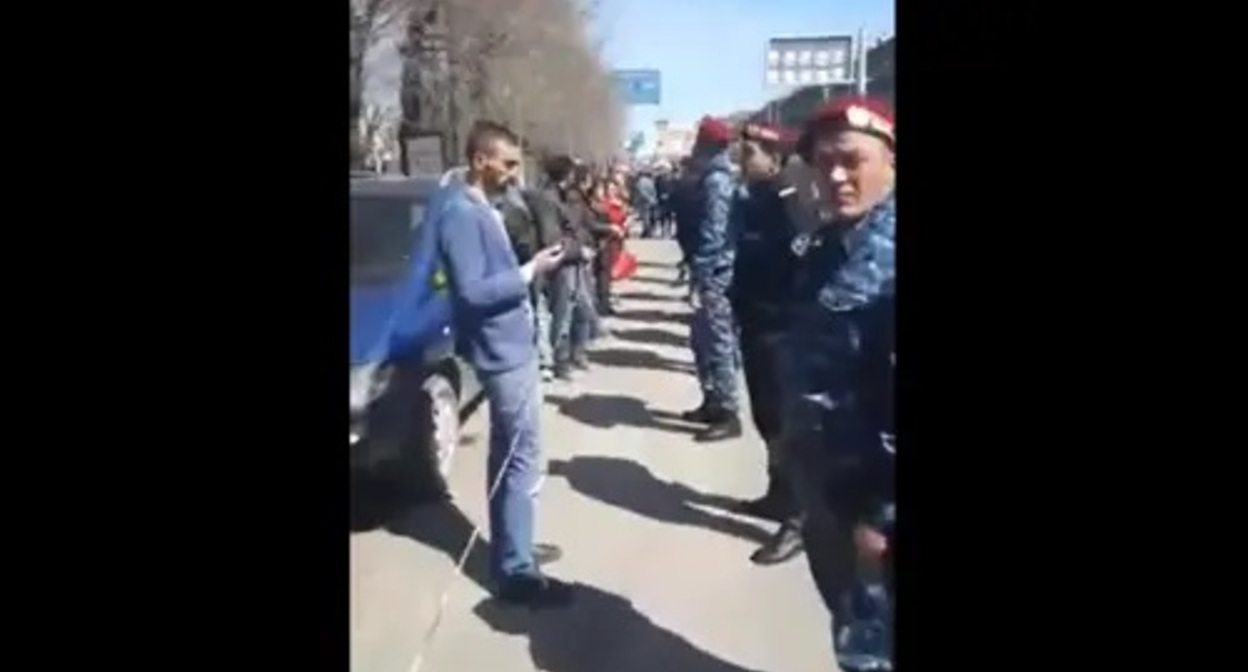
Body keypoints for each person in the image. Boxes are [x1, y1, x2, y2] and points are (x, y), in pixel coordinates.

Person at [430, 120, 574, 608]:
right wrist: (531, 271)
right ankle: (515, 571)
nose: (514, 174)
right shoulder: (460, 214)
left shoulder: (483, 207)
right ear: (479, 160)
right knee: (521, 460)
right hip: (502, 353)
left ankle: (515, 546)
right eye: (507, 163)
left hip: (513, 346)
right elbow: (472, 293)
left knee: (512, 455)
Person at [781, 97, 895, 670]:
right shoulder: (829, 244)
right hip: (827, 487)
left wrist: (881, 516)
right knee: (849, 628)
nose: (836, 176)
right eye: (823, 164)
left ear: (891, 162)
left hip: (874, 507)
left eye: (852, 160)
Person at [723, 122, 813, 565]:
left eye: (750, 153)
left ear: (774, 159)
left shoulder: (790, 204)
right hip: (755, 324)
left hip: (783, 330)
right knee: (765, 419)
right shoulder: (753, 199)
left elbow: (806, 265)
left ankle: (799, 519)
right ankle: (777, 494)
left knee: (786, 426)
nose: (742, 161)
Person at [683, 116, 742, 442]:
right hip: (711, 270)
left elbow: (714, 232)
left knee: (718, 342)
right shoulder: (711, 176)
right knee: (701, 338)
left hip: (717, 274)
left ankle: (728, 411)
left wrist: (702, 273)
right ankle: (712, 400)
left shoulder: (717, 180)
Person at [538, 154, 602, 380]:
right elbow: (552, 239)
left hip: (573, 262)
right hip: (560, 265)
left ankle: (576, 353)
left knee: (581, 309)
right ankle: (560, 361)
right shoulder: (548, 199)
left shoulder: (562, 196)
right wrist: (578, 250)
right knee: (562, 315)